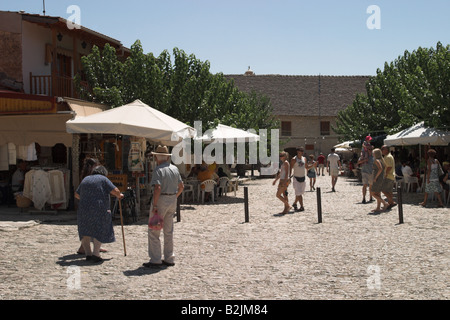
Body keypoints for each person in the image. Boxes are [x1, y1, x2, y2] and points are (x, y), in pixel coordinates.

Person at [144, 145, 184, 268]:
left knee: (154, 231)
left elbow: (158, 188)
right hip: (172, 199)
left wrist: (155, 205)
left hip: (161, 199)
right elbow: (181, 186)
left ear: (157, 157)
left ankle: (155, 259)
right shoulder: (175, 169)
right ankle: (169, 257)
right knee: (168, 230)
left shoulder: (158, 170)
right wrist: (174, 197)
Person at [75, 165, 124, 263]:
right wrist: (120, 195)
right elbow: (115, 190)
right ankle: (96, 254)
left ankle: (88, 254)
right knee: (99, 229)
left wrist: (86, 200)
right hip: (99, 209)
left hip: (84, 209)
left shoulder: (86, 179)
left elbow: (76, 194)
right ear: (104, 173)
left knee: (85, 230)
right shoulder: (104, 179)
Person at [290, 147, 311, 212]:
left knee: (299, 193)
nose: (300, 153)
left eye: (301, 152)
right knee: (299, 193)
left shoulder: (304, 159)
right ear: (297, 152)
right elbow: (290, 168)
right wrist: (289, 177)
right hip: (296, 178)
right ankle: (302, 206)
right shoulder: (294, 159)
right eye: (299, 152)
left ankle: (294, 203)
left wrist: (313, 165)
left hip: (303, 177)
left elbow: (306, 167)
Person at [370, 148, 387, 213]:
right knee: (377, 193)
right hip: (380, 178)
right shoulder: (381, 160)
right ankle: (378, 207)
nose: (372, 154)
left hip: (377, 178)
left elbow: (380, 169)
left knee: (372, 192)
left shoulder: (376, 160)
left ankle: (384, 203)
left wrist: (375, 177)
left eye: (373, 153)